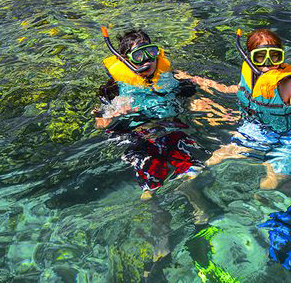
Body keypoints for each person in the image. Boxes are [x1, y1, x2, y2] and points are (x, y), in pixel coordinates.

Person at [94, 27, 233, 198]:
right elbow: (100, 123)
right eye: (138, 56)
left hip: (169, 128)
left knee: (194, 168)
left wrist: (217, 95)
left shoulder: (169, 76)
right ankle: (156, 212)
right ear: (125, 61)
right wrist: (113, 113)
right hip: (137, 135)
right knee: (151, 178)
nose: (147, 60)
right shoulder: (115, 88)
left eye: (151, 52)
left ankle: (200, 208)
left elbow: (194, 83)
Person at [207, 29, 291, 194]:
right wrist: (206, 84)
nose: (268, 62)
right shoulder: (250, 74)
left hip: (289, 138)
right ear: (250, 57)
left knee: (268, 185)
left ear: (281, 55)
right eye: (260, 56)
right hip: (258, 129)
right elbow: (239, 90)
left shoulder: (288, 85)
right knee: (212, 161)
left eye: (274, 55)